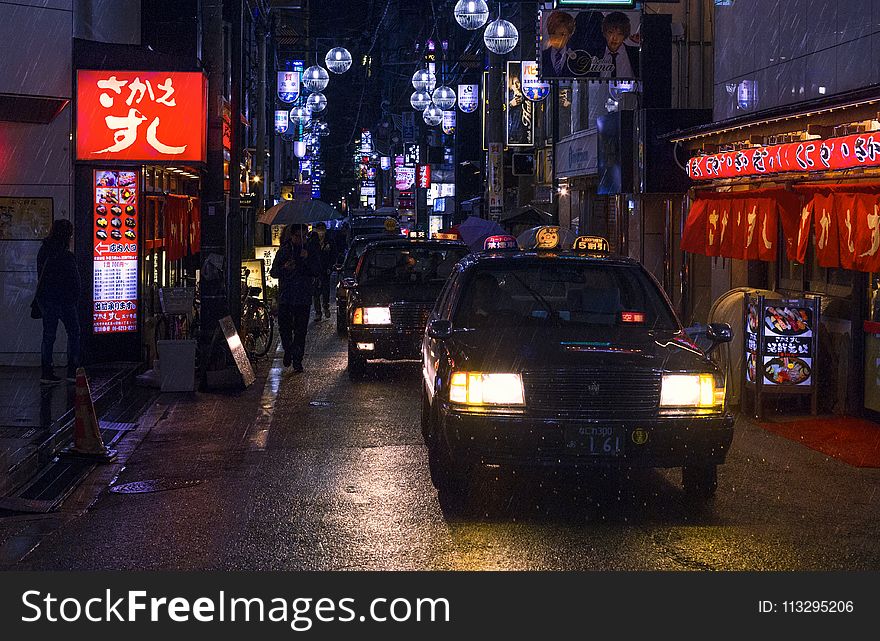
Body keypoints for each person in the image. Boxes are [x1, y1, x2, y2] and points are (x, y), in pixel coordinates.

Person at [36, 219, 81, 384]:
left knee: (48, 336)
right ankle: (73, 370)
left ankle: (46, 372)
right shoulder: (66, 255)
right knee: (74, 333)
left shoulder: (44, 250)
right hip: (65, 301)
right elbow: (75, 281)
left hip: (46, 299)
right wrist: (74, 298)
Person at [270, 224, 319, 372]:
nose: (301, 239)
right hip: (286, 296)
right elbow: (273, 272)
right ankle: (288, 350)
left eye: (304, 236)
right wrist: (285, 267)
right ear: (292, 236)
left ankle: (298, 359)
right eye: (298, 236)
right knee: (284, 328)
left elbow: (316, 270)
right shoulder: (284, 251)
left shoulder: (309, 251)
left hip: (303, 297)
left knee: (300, 330)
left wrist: (307, 260)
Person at [598, 11, 640, 79]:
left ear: (625, 35)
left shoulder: (635, 54)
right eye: (610, 32)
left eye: (619, 34)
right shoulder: (596, 53)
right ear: (605, 33)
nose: (614, 38)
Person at [311, 222, 334, 321]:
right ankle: (318, 312)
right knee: (316, 292)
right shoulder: (312, 241)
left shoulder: (330, 240)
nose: (321, 231)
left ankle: (326, 306)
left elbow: (334, 254)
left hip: (325, 270)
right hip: (315, 270)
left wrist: (330, 266)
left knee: (325, 290)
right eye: (319, 229)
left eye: (322, 228)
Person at [541, 10, 576, 77]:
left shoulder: (576, 57)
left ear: (569, 35)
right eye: (553, 33)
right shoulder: (542, 57)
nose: (557, 38)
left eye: (562, 34)